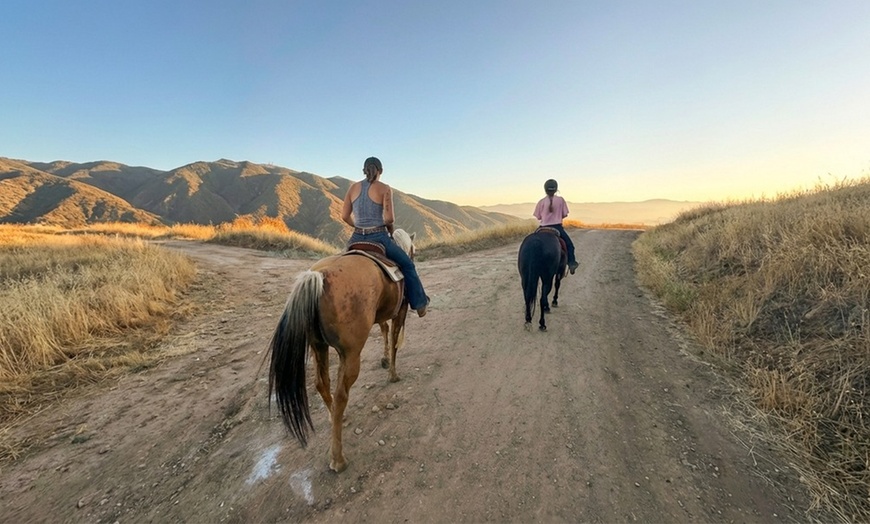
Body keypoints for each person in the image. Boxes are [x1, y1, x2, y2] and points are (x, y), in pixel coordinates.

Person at [341, 156, 429, 317]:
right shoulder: (384, 188)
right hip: (378, 237)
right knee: (408, 265)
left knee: (340, 263)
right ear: (380, 171)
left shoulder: (352, 188)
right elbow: (389, 219)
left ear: (363, 170)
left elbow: (344, 216)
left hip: (356, 238)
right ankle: (419, 303)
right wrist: (388, 231)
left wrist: (358, 227)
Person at [533, 179, 579, 274]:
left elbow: (538, 217)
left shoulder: (541, 202)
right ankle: (571, 263)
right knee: (570, 246)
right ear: (556, 189)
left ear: (545, 189)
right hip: (557, 227)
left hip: (542, 227)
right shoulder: (561, 200)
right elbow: (564, 214)